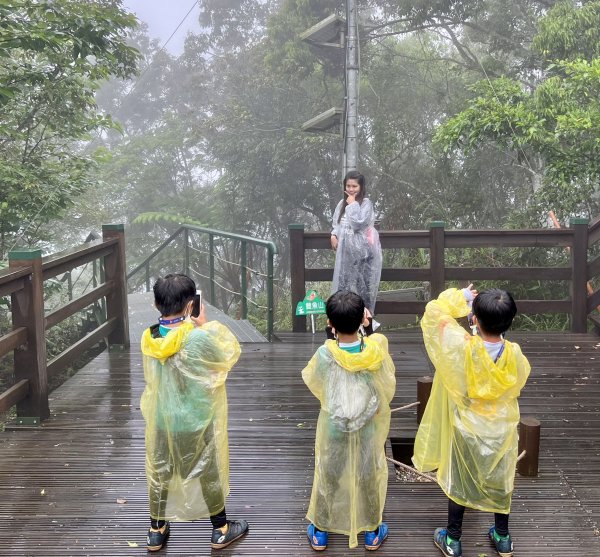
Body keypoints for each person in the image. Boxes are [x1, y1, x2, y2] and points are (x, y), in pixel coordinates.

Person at [413, 285, 531, 557]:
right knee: (501, 481)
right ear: (510, 321)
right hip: (500, 428)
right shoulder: (514, 353)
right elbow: (519, 381)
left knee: (460, 480)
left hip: (466, 427)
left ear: (474, 319)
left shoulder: (462, 347)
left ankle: (453, 540)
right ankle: (502, 537)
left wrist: (462, 297)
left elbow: (434, 312)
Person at [140, 273, 249, 552]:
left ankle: (156, 529)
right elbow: (226, 356)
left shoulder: (149, 338)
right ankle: (221, 529)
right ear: (191, 305)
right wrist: (206, 325)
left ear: (155, 304)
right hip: (197, 420)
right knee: (208, 470)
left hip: (163, 419)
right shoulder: (198, 338)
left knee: (160, 471)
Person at [302, 290, 396, 550]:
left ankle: (320, 530)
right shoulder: (375, 350)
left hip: (335, 425)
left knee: (328, 472)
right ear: (362, 320)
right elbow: (385, 383)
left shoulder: (325, 353)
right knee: (369, 473)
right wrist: (368, 328)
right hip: (366, 424)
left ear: (330, 323)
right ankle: (372, 531)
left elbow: (316, 382)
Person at [330, 171, 382, 315]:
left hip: (363, 254)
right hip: (345, 253)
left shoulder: (366, 204)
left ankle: (365, 322)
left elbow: (358, 224)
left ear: (361, 187)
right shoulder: (342, 203)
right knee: (343, 287)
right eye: (348, 186)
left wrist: (352, 204)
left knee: (363, 288)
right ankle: (342, 320)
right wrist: (333, 235)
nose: (351, 189)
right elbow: (337, 223)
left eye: (355, 186)